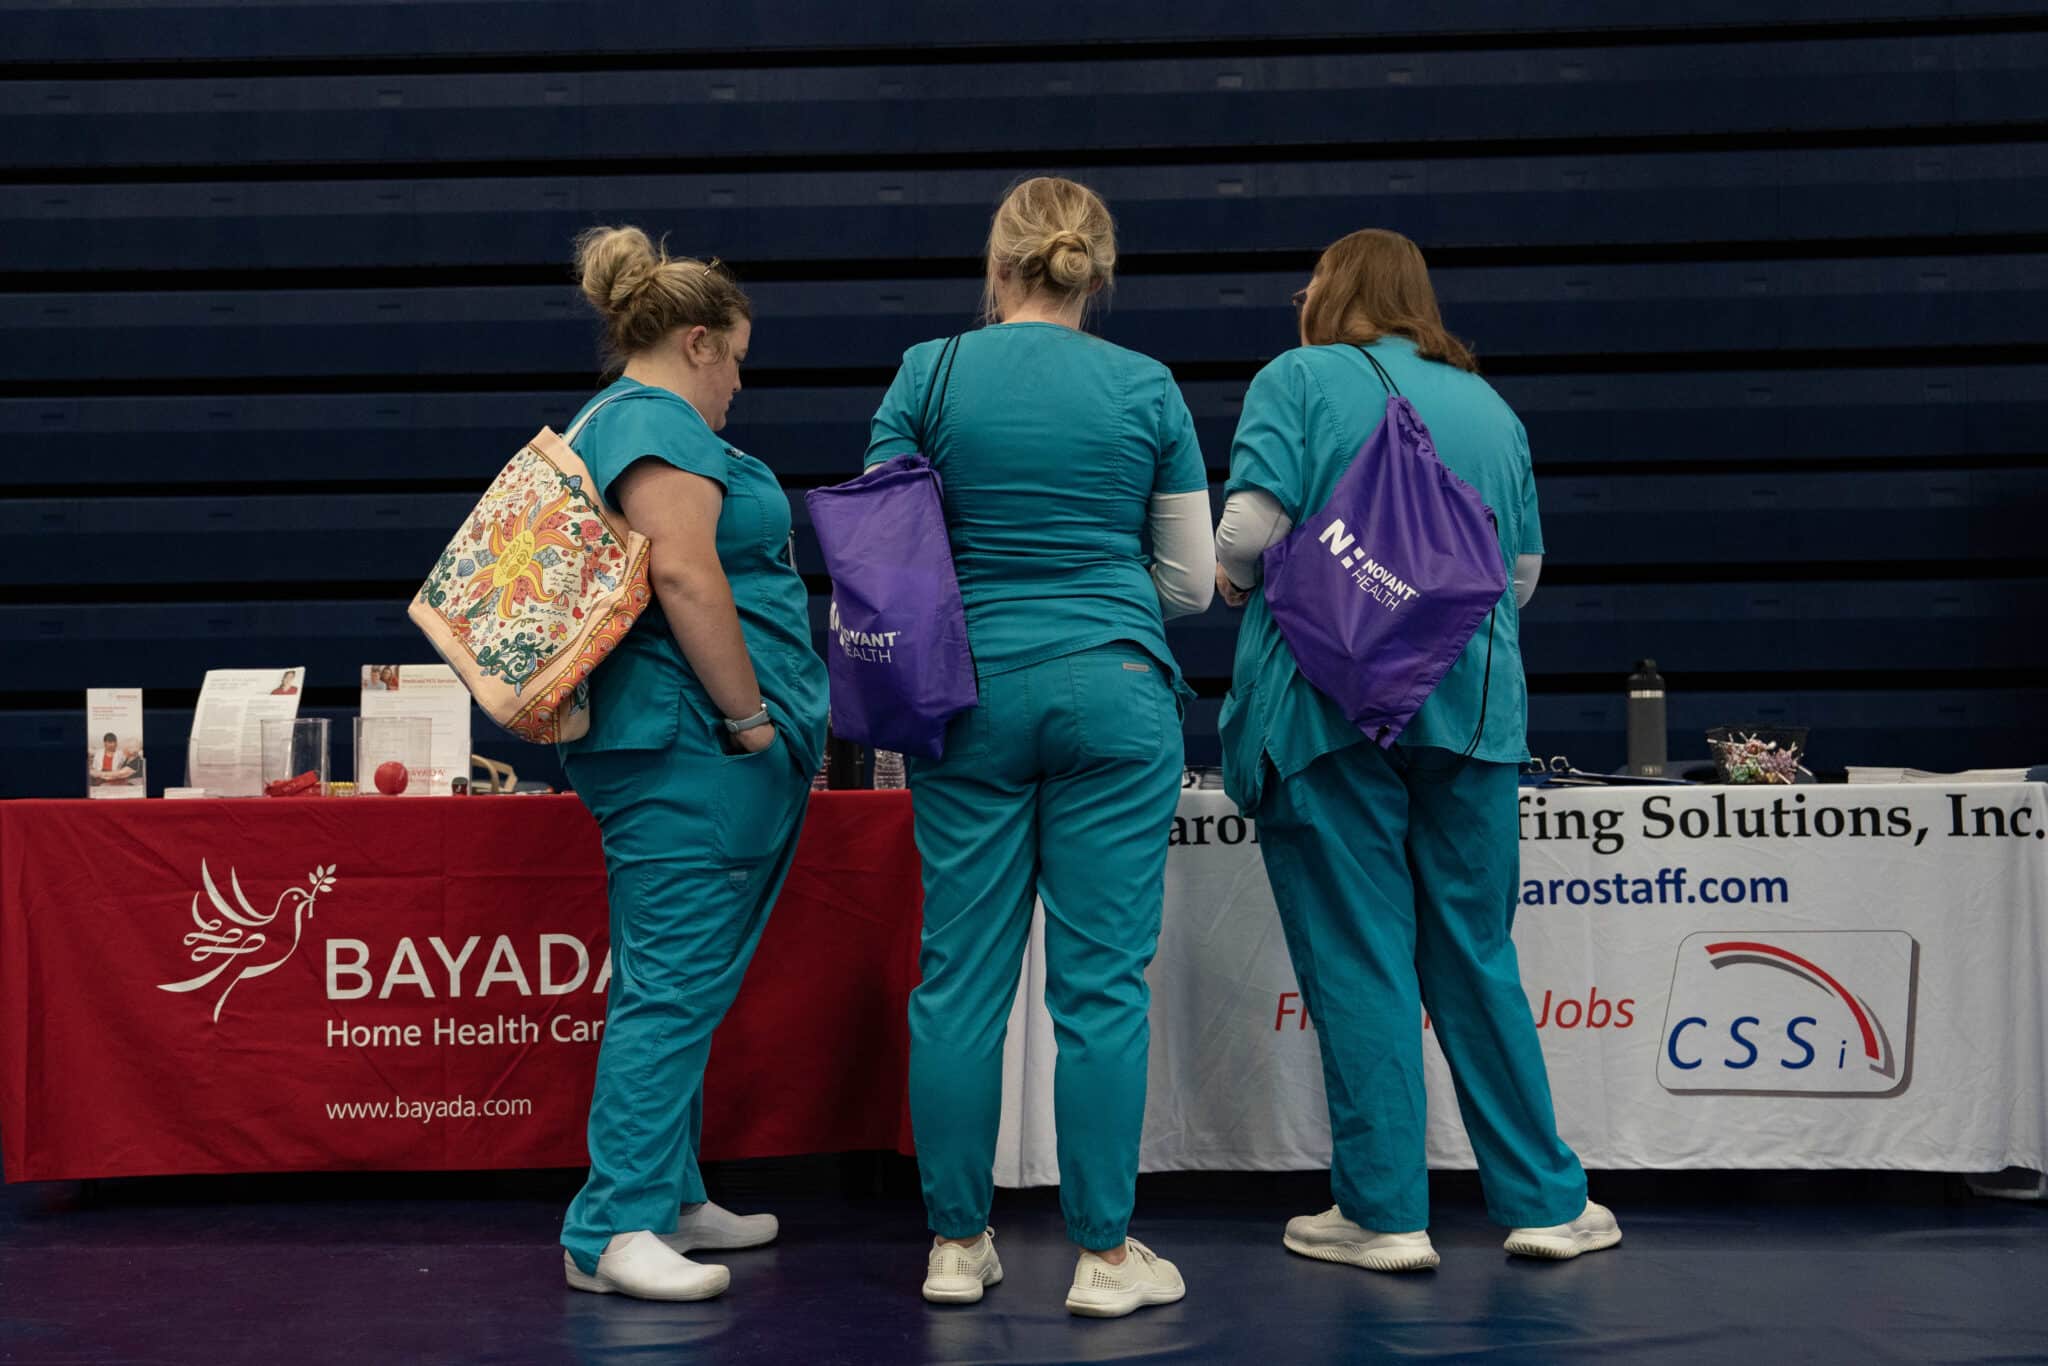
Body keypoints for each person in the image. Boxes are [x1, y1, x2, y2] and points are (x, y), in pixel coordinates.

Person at [1213, 228, 1619, 1272]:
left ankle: (1383, 1213)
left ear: (1336, 290)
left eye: (1307, 278)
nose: (1297, 292)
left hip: (1322, 707)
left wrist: (1232, 578)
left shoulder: (1295, 378)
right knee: (1474, 953)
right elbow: (1516, 574)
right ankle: (1541, 1201)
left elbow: (1249, 533)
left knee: (1357, 954)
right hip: (1469, 709)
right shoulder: (1486, 404)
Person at [865, 176, 1215, 1318]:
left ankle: (956, 1246)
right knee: (1100, 984)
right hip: (1117, 688)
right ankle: (1107, 1258)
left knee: (959, 980)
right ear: (1093, 274)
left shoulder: (929, 373)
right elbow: (1193, 583)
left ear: (996, 266)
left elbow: (880, 551)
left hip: (967, 699)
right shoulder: (1147, 385)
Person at [554, 226, 827, 1301]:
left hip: (678, 745)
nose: (739, 386)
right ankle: (609, 1226)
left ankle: (664, 1189)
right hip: (691, 746)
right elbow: (685, 576)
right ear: (700, 342)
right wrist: (751, 718)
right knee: (668, 986)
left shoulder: (628, 421)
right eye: (739, 361)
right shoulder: (651, 425)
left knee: (676, 976)